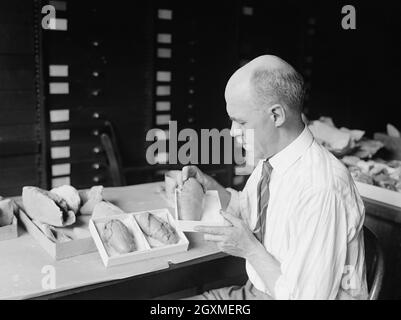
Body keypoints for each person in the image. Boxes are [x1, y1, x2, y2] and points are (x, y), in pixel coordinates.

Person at [178, 55, 368, 300]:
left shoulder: (321, 188)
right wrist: (210, 187)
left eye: (240, 121)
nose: (232, 132)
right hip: (257, 292)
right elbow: (247, 210)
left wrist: (249, 248)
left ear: (276, 115)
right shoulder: (272, 161)